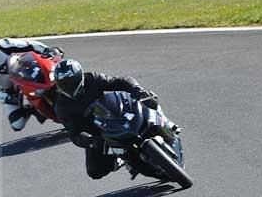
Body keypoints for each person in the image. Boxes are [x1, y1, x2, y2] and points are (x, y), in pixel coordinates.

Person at [53, 58, 181, 180]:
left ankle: (167, 123)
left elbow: (121, 81)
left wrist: (139, 91)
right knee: (94, 171)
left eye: (71, 82)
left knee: (148, 101)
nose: (68, 86)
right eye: (64, 84)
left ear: (80, 77)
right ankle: (123, 158)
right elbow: (74, 133)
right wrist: (90, 141)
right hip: (100, 134)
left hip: (117, 113)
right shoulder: (62, 107)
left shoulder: (92, 78)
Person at [0, 28, 64, 131]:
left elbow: (31, 45)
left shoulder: (6, 44)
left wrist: (47, 50)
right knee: (17, 124)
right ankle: (32, 108)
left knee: (56, 66)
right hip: (10, 90)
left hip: (27, 71)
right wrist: (9, 97)